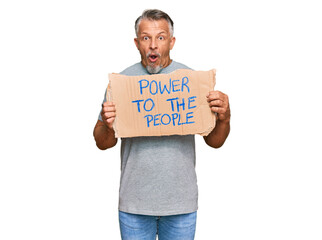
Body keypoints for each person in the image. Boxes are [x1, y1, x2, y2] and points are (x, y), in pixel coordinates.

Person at [93, 9, 230, 240]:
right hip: (134, 206)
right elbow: (101, 142)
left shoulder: (192, 81)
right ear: (137, 43)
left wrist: (225, 117)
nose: (153, 45)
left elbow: (214, 142)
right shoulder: (122, 84)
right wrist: (107, 125)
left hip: (181, 206)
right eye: (146, 38)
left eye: (161, 37)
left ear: (172, 41)